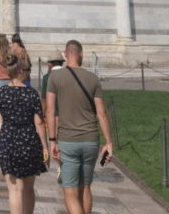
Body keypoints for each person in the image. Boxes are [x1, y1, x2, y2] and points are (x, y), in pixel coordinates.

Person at [45, 39, 113, 214]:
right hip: (91, 140)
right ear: (81, 54)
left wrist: (52, 140)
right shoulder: (93, 79)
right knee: (85, 187)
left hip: (68, 140)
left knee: (70, 190)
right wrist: (108, 142)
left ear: (66, 55)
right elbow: (102, 113)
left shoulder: (55, 77)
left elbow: (50, 111)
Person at [0, 56, 49, 214]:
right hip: (29, 140)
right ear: (21, 72)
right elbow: (39, 123)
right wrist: (45, 147)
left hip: (8, 140)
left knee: (14, 189)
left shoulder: (2, 92)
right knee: (29, 188)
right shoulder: (32, 94)